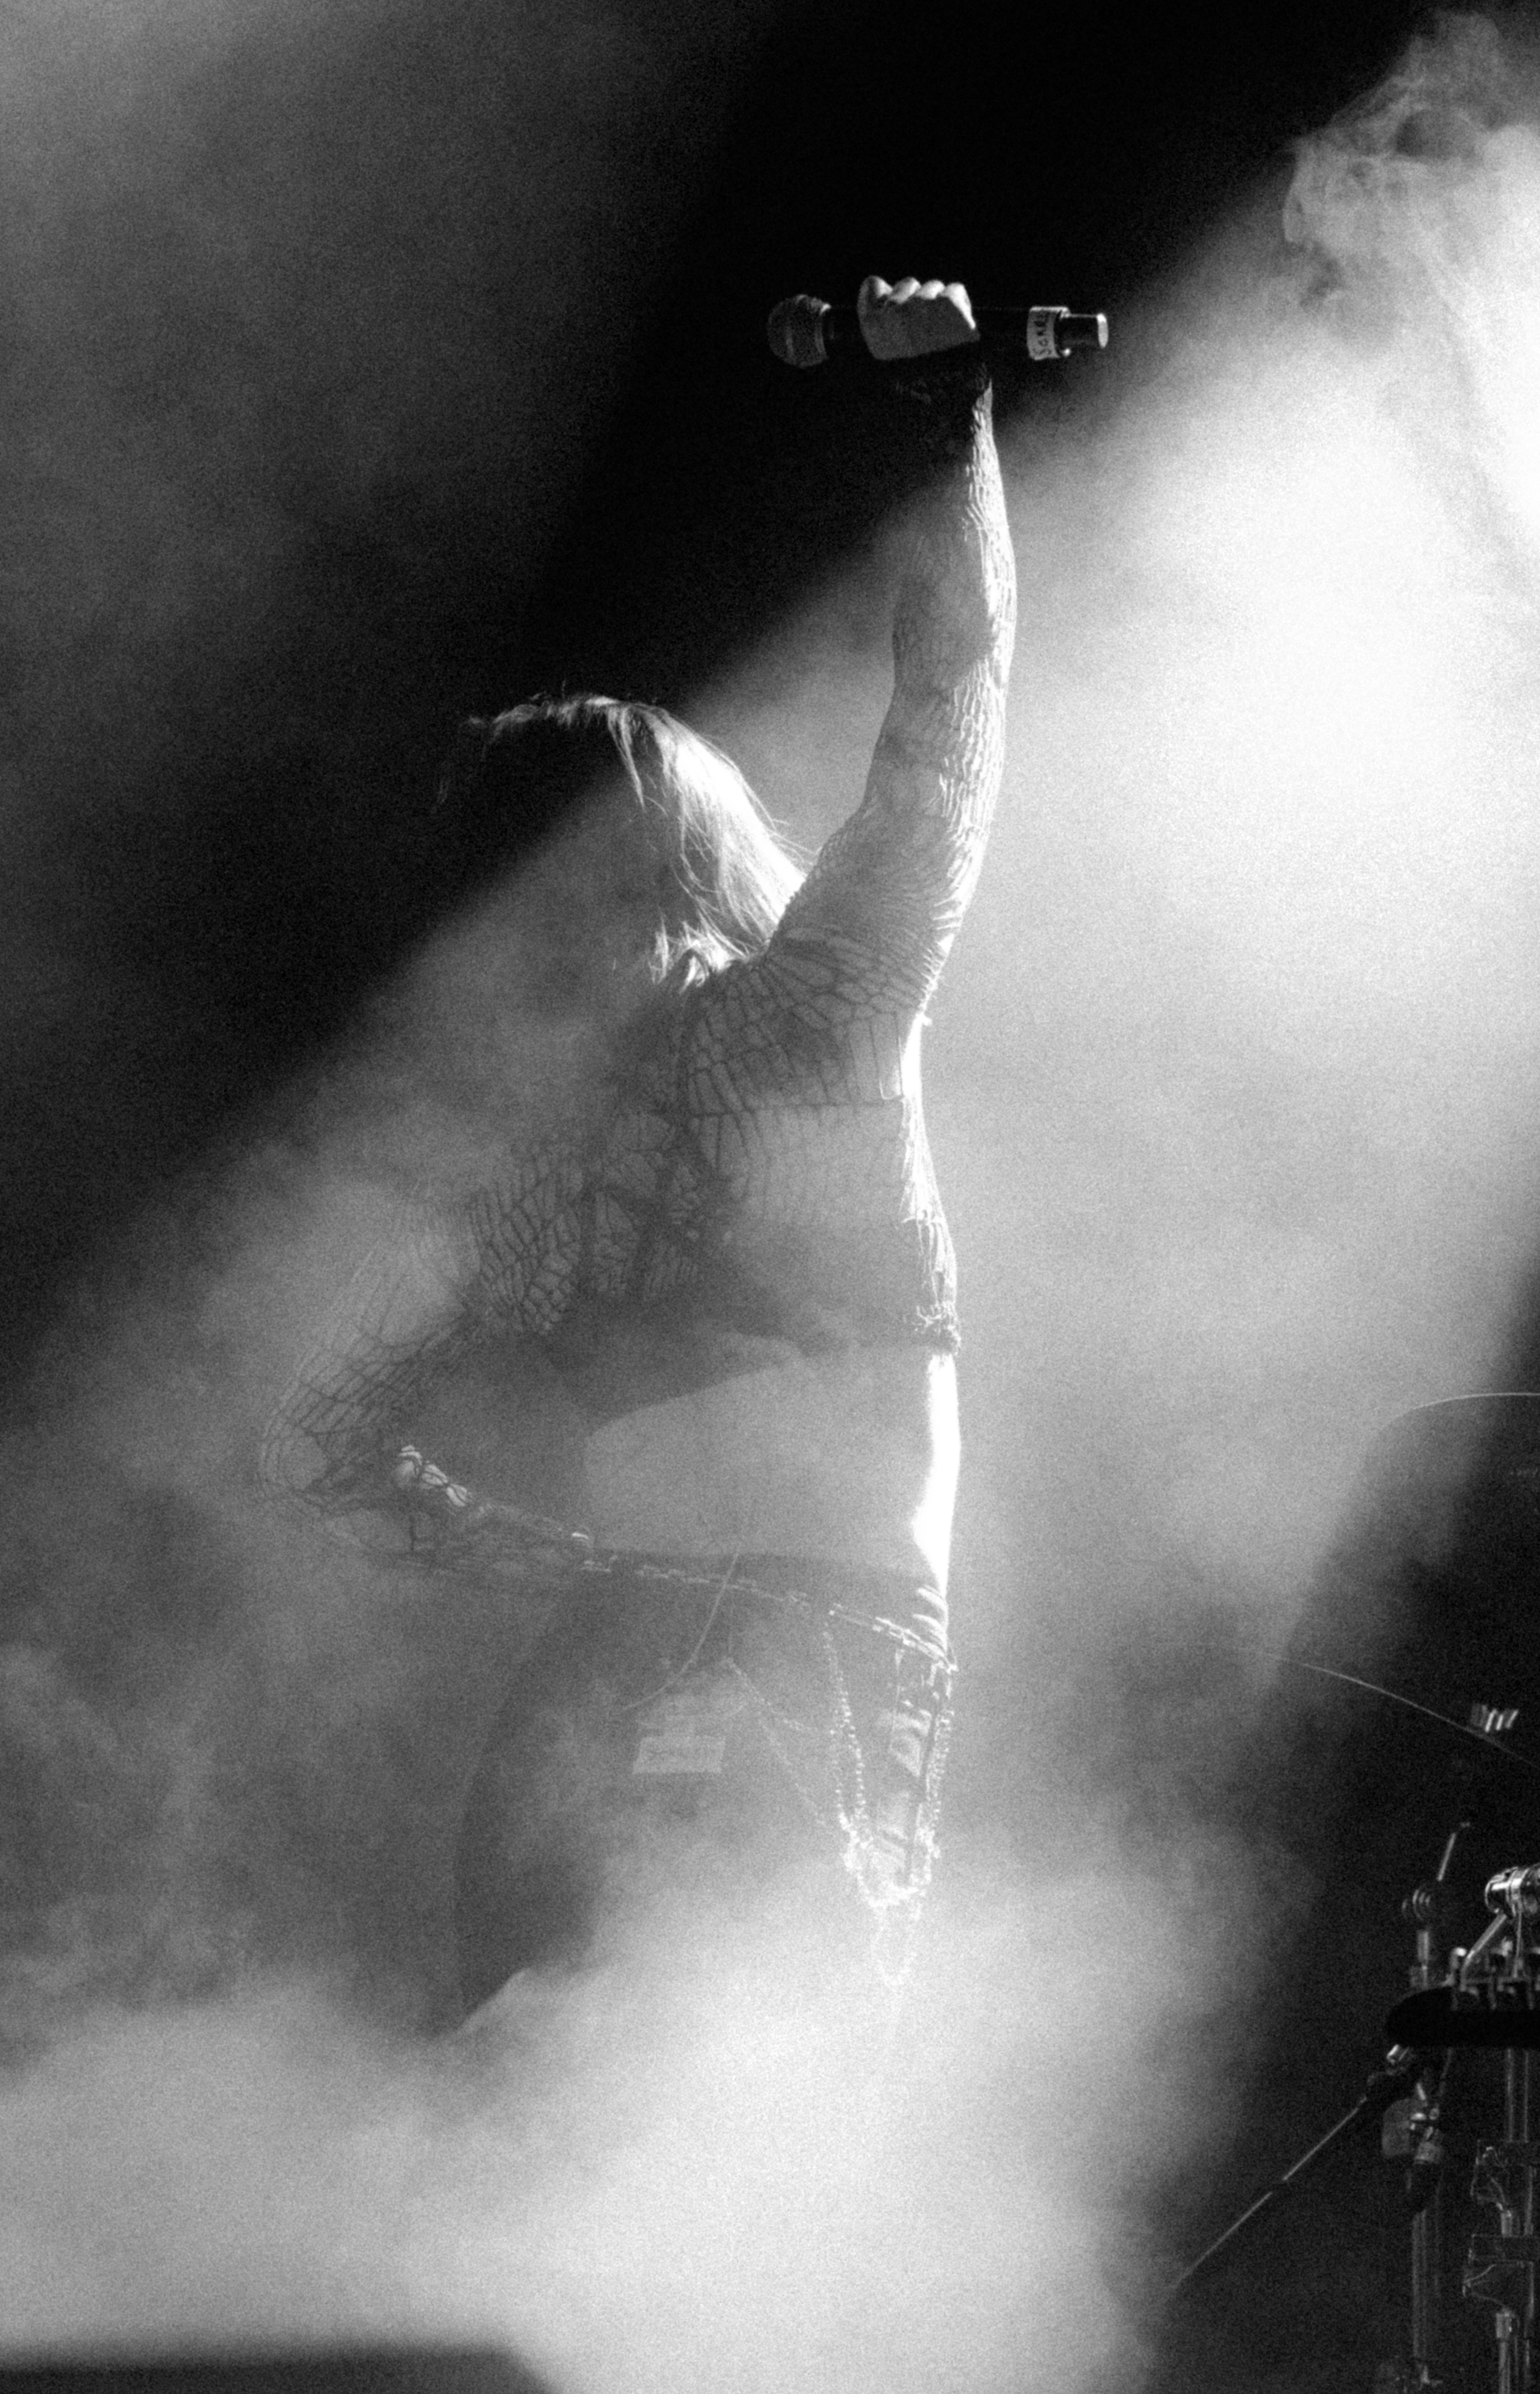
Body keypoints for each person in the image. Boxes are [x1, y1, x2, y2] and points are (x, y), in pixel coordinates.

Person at [263, 276, 1016, 2013]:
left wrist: (570, 1566)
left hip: (739, 1661)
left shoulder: (733, 1056)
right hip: (761, 1652)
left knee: (612, 2100)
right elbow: (947, 728)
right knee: (692, 2119)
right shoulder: (777, 1038)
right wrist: (950, 425)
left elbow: (322, 1443)